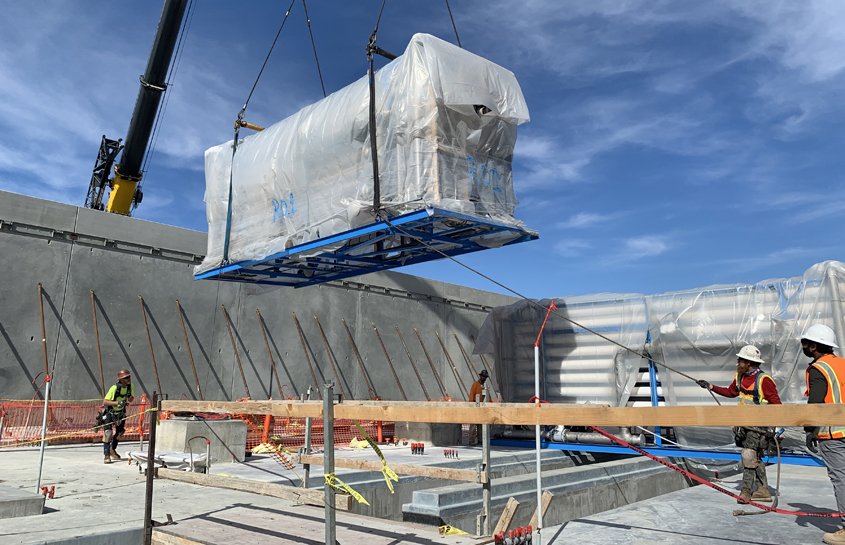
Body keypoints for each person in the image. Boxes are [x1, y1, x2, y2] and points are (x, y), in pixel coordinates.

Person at [696, 344, 780, 503]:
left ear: (749, 362)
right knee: (754, 456)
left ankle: (746, 492)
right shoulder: (740, 376)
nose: (738, 362)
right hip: (743, 425)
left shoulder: (764, 380)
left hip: (758, 427)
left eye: (741, 360)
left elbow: (777, 405)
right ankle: (763, 490)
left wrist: (774, 429)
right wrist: (710, 386)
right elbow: (731, 392)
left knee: (748, 455)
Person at [802, 324, 845, 545]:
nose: (803, 347)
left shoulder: (819, 368)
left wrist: (810, 431)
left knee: (841, 477)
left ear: (814, 345)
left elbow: (816, 402)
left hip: (833, 432)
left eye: (805, 343)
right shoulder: (842, 364)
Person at [101, 369, 135, 464]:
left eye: (129, 377)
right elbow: (105, 401)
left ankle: (112, 449)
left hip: (121, 413)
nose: (128, 379)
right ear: (120, 379)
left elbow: (131, 398)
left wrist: (129, 400)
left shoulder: (130, 387)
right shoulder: (114, 388)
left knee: (120, 432)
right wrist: (117, 403)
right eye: (126, 378)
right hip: (110, 413)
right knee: (108, 433)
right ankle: (106, 455)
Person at [467, 369, 489, 445]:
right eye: (483, 376)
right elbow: (471, 397)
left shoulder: (485, 387)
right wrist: (472, 407)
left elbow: (488, 397)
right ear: (480, 376)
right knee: (473, 426)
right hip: (475, 408)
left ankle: (480, 440)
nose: (484, 378)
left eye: (485, 377)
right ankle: (471, 441)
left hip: (482, 409)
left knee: (481, 426)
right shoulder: (475, 385)